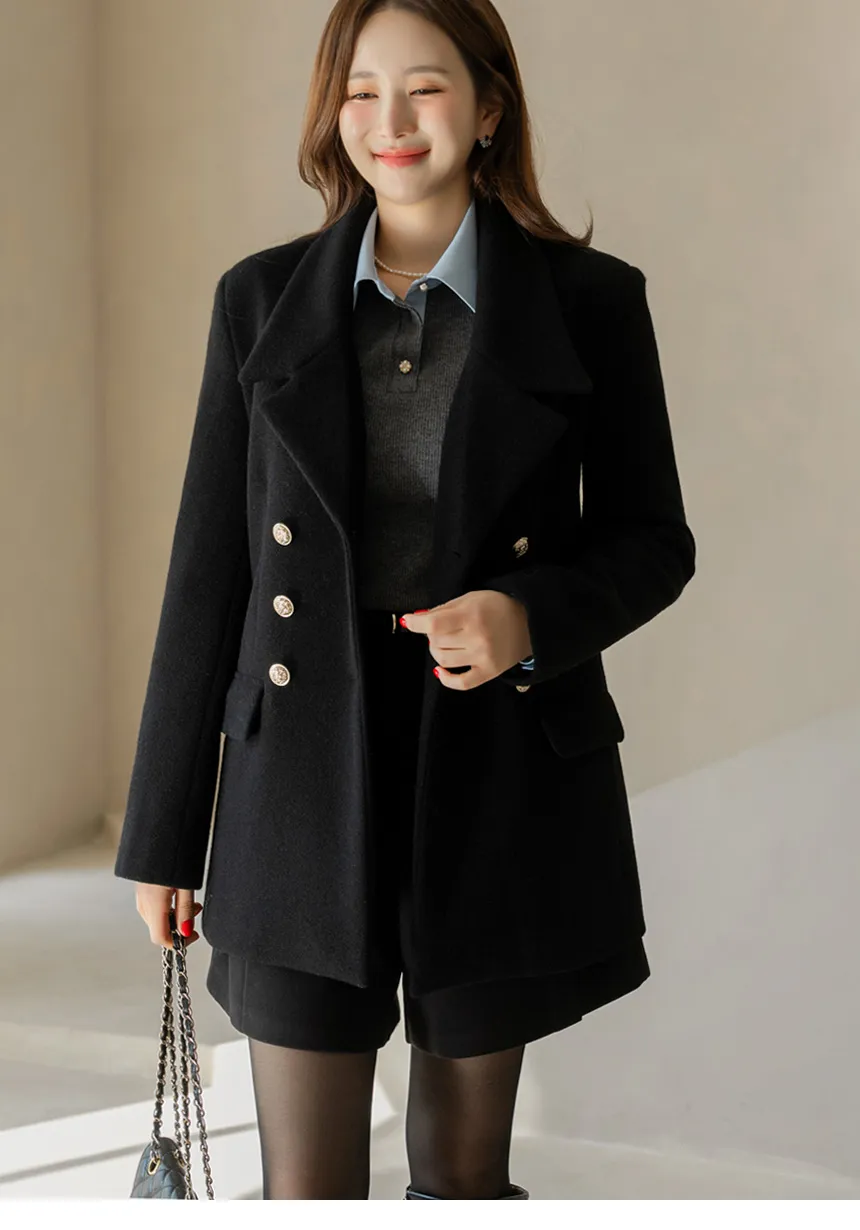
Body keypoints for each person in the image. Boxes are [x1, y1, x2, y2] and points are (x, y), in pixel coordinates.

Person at [115, 0, 696, 1201]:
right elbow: (207, 572)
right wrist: (162, 836)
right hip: (295, 773)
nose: (390, 118)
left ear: (487, 110)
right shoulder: (259, 298)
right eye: (360, 89)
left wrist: (526, 618)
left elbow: (653, 541)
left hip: (495, 762)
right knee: (307, 1193)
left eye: (425, 87)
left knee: (460, 1186)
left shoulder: (590, 302)